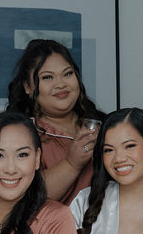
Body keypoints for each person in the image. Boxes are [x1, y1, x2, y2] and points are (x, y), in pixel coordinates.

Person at [6, 39, 105, 204]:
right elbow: (24, 197)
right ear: (28, 87)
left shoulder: (101, 125)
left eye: (68, 74)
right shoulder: (20, 135)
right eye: (47, 77)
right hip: (55, 229)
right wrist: (72, 163)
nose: (60, 84)